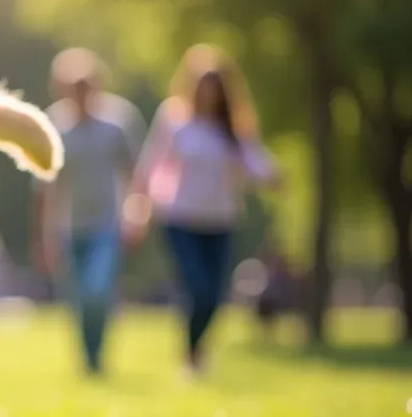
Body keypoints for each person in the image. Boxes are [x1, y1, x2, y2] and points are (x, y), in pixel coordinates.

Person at [124, 44, 281, 376]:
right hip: (180, 219)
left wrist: (273, 175)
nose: (208, 94)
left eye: (215, 88)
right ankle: (192, 354)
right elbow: (149, 166)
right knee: (198, 287)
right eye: (203, 87)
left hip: (221, 221)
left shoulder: (233, 128)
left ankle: (195, 351)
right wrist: (139, 209)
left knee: (214, 295)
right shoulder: (175, 119)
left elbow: (255, 160)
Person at [34, 48, 146, 375]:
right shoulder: (54, 126)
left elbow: (134, 173)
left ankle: (97, 353)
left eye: (86, 86)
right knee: (80, 299)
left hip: (107, 225)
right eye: (73, 87)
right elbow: (44, 188)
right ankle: (89, 357)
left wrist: (137, 213)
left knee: (98, 291)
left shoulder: (118, 122)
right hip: (67, 228)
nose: (81, 94)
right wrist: (44, 238)